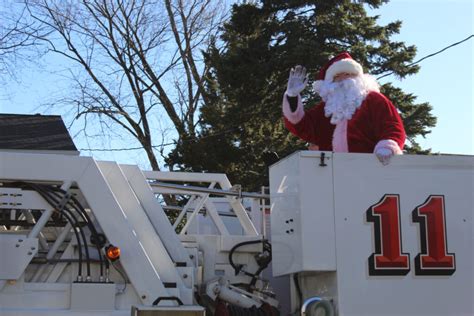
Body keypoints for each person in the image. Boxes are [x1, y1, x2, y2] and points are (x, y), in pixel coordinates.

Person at [282, 52, 406, 165]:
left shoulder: (373, 99)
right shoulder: (328, 108)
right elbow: (303, 126)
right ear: (331, 83)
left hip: (369, 167)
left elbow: (392, 126)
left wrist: (387, 147)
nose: (344, 79)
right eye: (338, 76)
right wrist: (292, 97)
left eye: (349, 74)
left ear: (359, 78)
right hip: (333, 173)